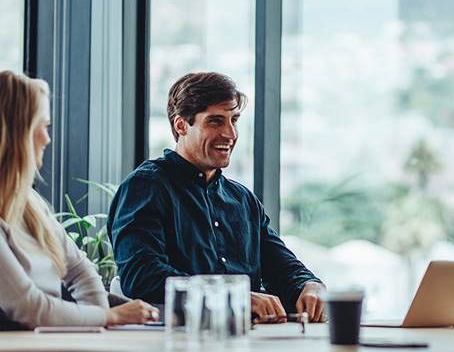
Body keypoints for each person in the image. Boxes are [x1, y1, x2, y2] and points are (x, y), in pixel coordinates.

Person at [108, 71, 325, 322]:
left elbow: (282, 267)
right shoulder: (146, 186)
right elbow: (142, 276)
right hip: (173, 343)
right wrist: (232, 296)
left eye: (234, 120)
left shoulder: (243, 200)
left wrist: (309, 285)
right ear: (181, 125)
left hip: (248, 342)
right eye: (215, 121)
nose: (230, 134)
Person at [0, 71, 158, 330]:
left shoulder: (30, 203)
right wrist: (110, 317)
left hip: (44, 346)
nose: (48, 139)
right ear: (20, 133)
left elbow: (79, 269)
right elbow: (29, 306)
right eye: (44, 126)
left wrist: (99, 325)